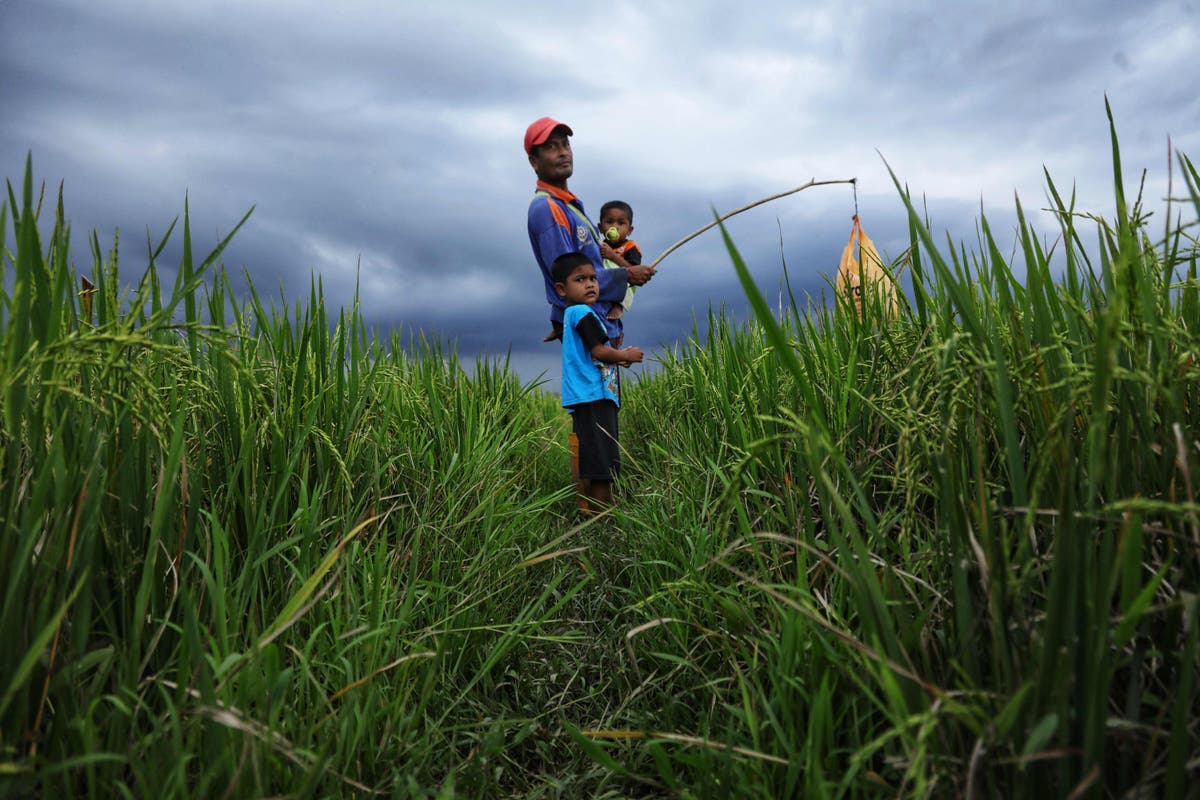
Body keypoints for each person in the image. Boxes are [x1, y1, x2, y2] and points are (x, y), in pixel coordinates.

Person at [525, 116, 655, 342]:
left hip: (600, 325)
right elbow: (569, 279)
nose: (563, 152)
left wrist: (612, 323)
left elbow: (588, 267)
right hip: (588, 332)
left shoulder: (568, 205)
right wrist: (626, 275)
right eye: (551, 147)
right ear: (534, 161)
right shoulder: (546, 208)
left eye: (565, 144)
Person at [552, 251, 644, 511]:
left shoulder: (574, 314)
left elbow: (597, 355)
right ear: (562, 289)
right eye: (580, 279)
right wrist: (626, 354)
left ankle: (590, 509)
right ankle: (600, 518)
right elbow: (599, 351)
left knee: (594, 456)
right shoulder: (582, 312)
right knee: (603, 461)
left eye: (593, 277)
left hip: (589, 396)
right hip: (593, 396)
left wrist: (617, 359)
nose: (590, 283)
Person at [597, 200, 642, 319]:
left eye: (621, 223)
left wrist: (613, 256)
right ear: (601, 227)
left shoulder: (630, 247)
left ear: (629, 230)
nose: (615, 227)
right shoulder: (599, 245)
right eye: (609, 222)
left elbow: (633, 270)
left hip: (625, 285)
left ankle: (618, 305)